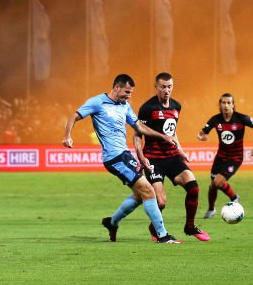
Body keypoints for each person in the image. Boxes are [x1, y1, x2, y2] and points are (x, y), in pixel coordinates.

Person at [62, 74, 183, 244]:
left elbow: (139, 126)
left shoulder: (125, 106)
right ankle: (162, 235)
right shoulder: (98, 102)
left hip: (124, 155)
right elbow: (73, 116)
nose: (129, 96)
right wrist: (67, 136)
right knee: (149, 191)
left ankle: (112, 223)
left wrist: (163, 136)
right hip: (114, 157)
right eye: (126, 92)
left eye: (131, 93)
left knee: (140, 195)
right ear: (116, 87)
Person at [134, 72, 210, 242]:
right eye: (162, 87)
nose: (166, 90)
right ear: (156, 87)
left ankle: (190, 226)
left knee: (194, 188)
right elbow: (138, 134)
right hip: (153, 159)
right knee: (160, 202)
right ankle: (155, 228)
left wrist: (180, 149)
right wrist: (140, 155)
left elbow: (172, 130)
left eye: (169, 87)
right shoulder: (148, 108)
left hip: (172, 156)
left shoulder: (176, 106)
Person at [197, 93, 253, 218]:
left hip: (235, 157)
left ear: (233, 105)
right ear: (220, 105)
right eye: (223, 103)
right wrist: (201, 136)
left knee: (217, 182)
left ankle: (233, 197)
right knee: (213, 186)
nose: (226, 105)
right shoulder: (215, 120)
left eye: (228, 103)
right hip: (220, 157)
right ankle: (211, 209)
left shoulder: (241, 118)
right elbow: (202, 132)